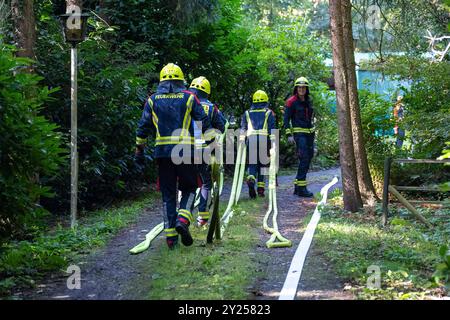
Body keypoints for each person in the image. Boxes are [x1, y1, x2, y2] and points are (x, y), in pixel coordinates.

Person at [135, 63, 211, 249]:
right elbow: (201, 120)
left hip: (162, 154)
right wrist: (200, 143)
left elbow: (143, 127)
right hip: (185, 152)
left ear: (162, 81)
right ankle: (183, 221)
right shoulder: (189, 98)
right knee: (190, 188)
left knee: (168, 195)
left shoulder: (152, 100)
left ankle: (171, 240)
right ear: (181, 80)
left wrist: (139, 149)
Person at [188, 76, 227, 226]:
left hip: (186, 149)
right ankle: (202, 217)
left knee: (188, 184)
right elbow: (221, 126)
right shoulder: (212, 108)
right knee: (206, 183)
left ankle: (183, 215)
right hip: (205, 151)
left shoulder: (186, 102)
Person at [240, 90, 276, 198]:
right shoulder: (268, 113)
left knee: (252, 164)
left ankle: (251, 178)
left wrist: (242, 141)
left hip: (251, 140)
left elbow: (243, 128)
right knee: (263, 165)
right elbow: (272, 129)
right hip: (264, 140)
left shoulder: (247, 113)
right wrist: (274, 143)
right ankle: (260, 190)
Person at [284, 77, 315, 198]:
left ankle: (297, 186)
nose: (301, 89)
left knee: (307, 159)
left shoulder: (308, 101)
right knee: (304, 158)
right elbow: (286, 119)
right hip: (299, 135)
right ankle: (302, 188)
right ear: (296, 88)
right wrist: (288, 135)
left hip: (310, 134)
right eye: (299, 87)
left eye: (304, 87)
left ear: (306, 89)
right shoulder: (291, 101)